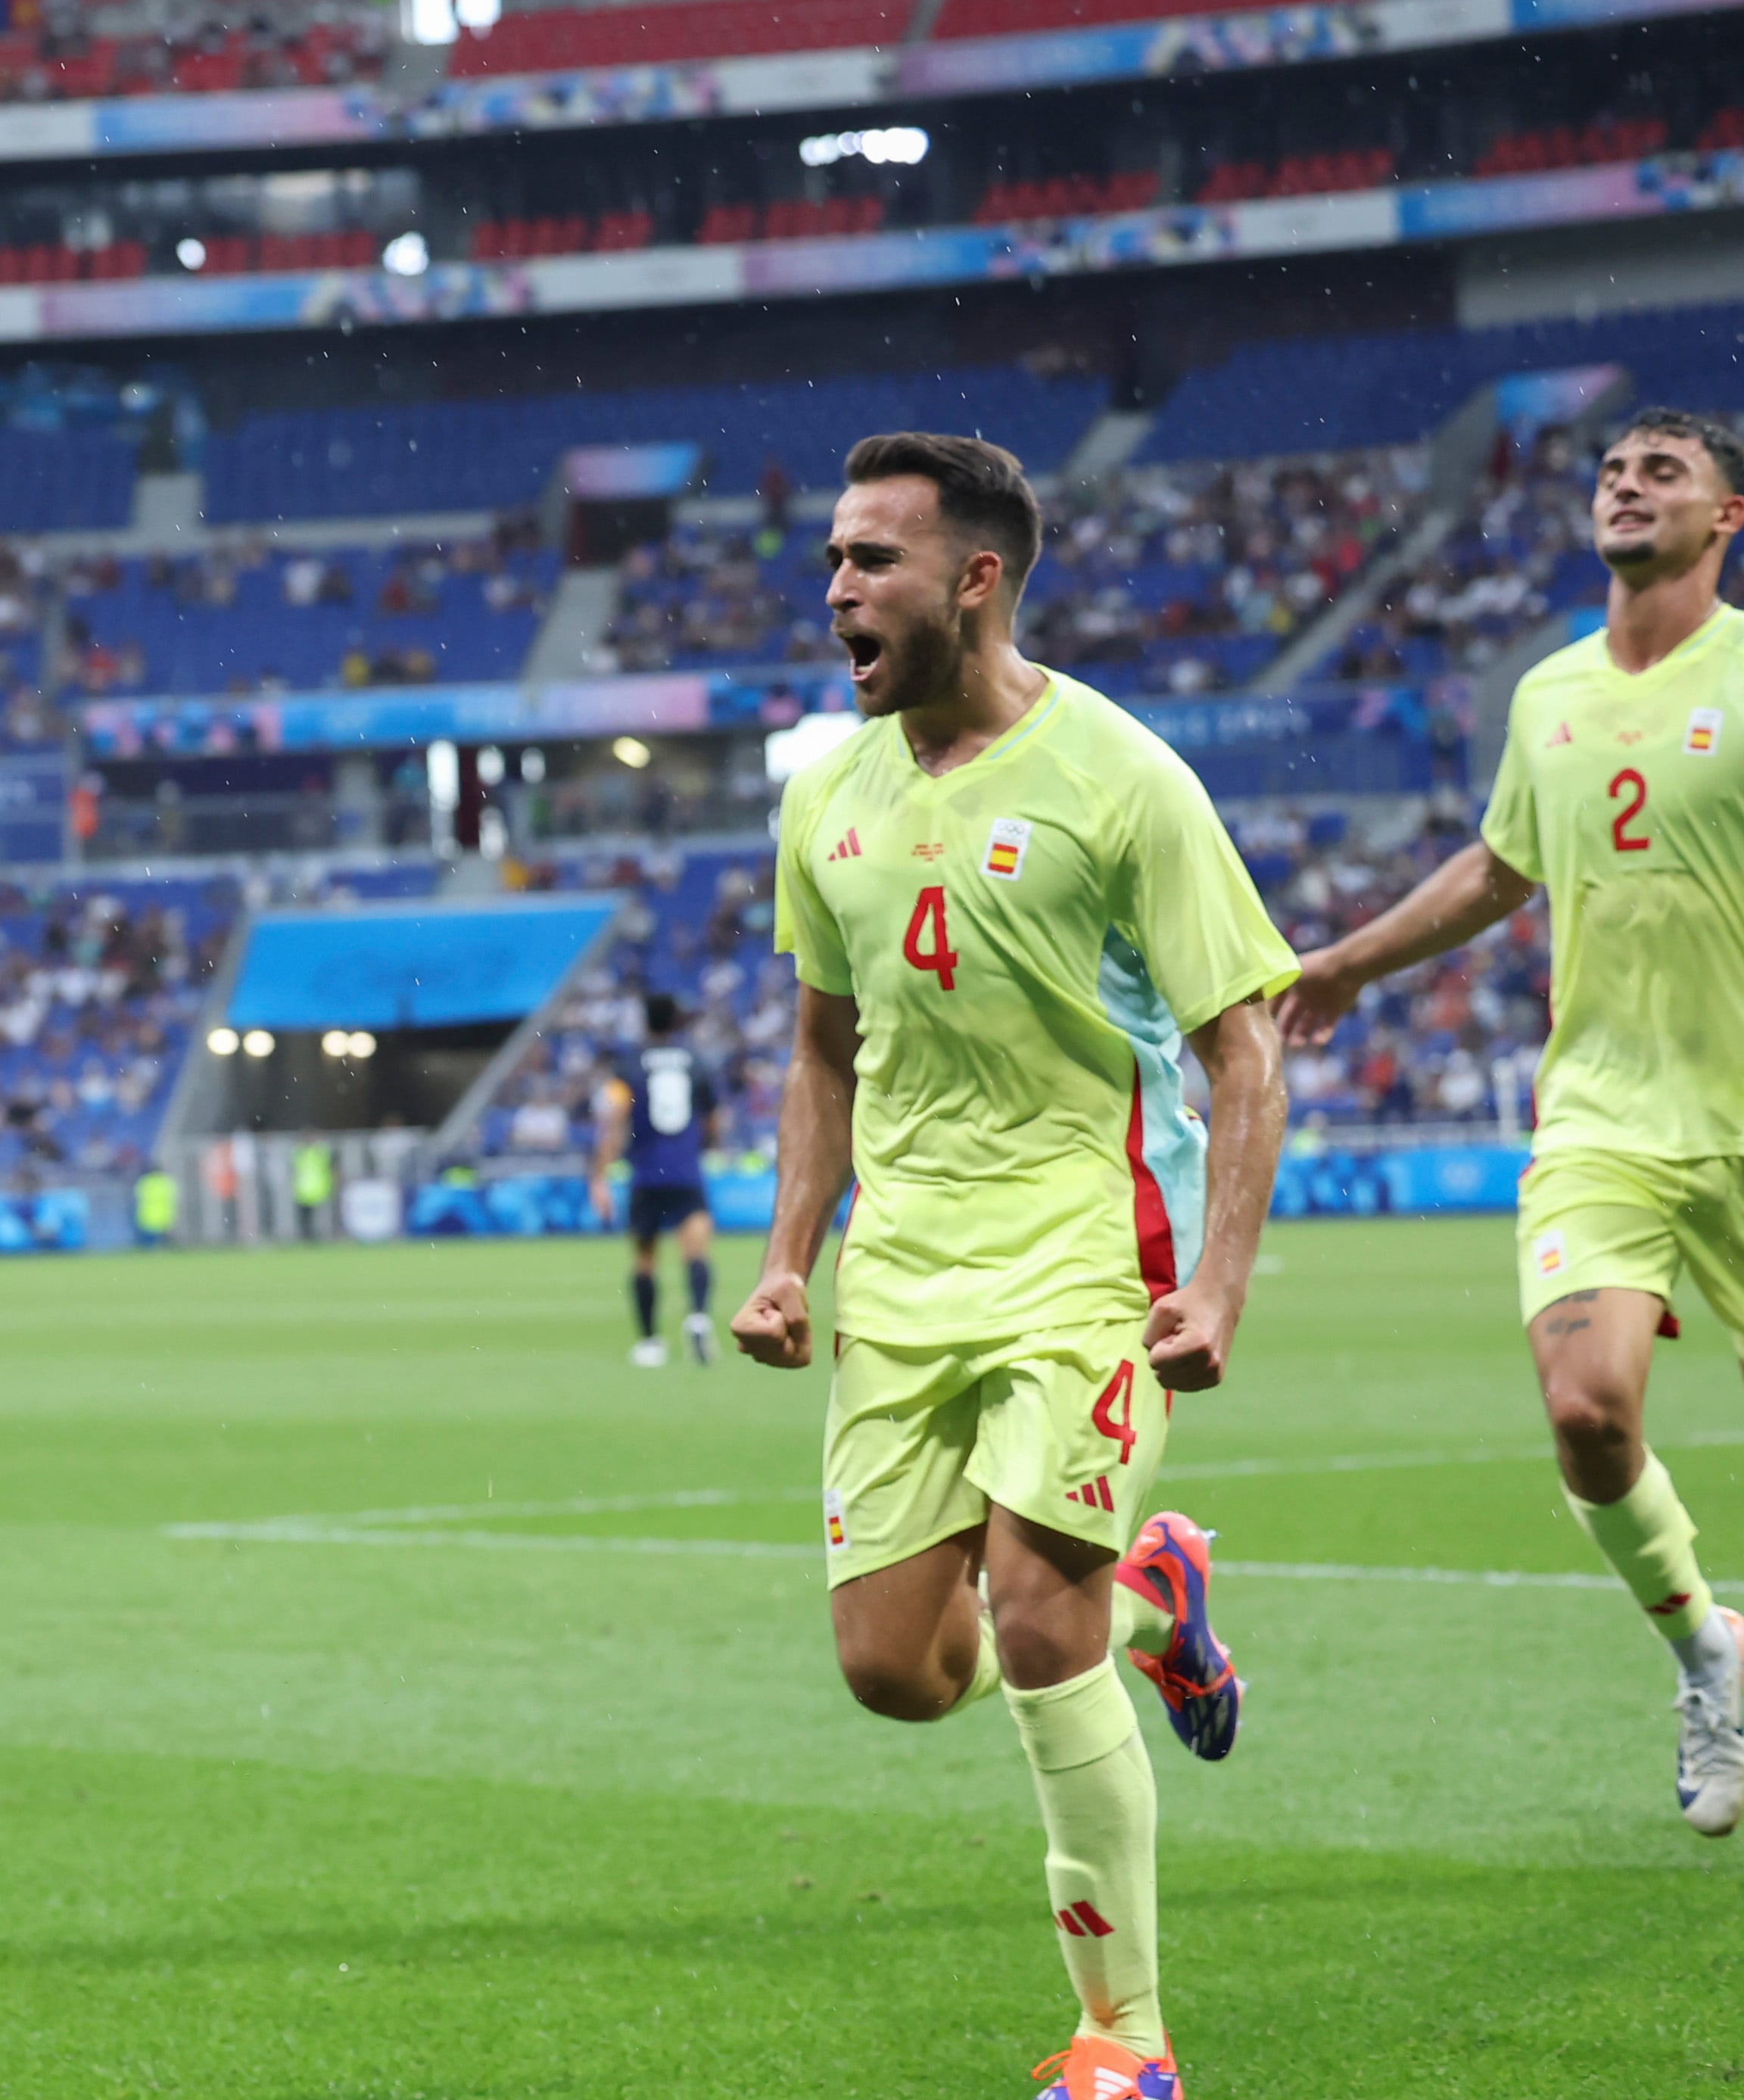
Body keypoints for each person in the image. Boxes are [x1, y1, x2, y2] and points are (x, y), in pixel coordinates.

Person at [729, 432, 1291, 2100]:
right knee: (896, 1672)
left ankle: (1128, 2043)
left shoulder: (1124, 778)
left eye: (872, 560)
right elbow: (823, 1050)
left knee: (1041, 1629)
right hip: (905, 1272)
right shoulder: (827, 789)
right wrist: (785, 1261)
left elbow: (1243, 1049)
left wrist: (1219, 1282)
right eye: (833, 558)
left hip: (1083, 1252)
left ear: (974, 579)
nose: (837, 588)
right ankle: (1158, 1581)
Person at [1277, 407, 1744, 1829]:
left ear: (1727, 518)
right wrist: (1350, 959)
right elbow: (1498, 869)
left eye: (1662, 470)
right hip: (1601, 1113)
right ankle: (1707, 1658)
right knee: (1587, 1409)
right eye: (1611, 468)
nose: (1625, 483)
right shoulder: (1545, 692)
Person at [590, 990, 718, 1366]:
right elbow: (713, 1120)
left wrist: (599, 1176)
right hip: (685, 1171)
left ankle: (650, 1343)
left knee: (645, 1260)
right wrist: (700, 1147)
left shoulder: (629, 1065)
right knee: (696, 1251)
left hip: (646, 1173)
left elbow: (613, 1119)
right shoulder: (697, 1062)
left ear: (644, 1022)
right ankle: (697, 1316)